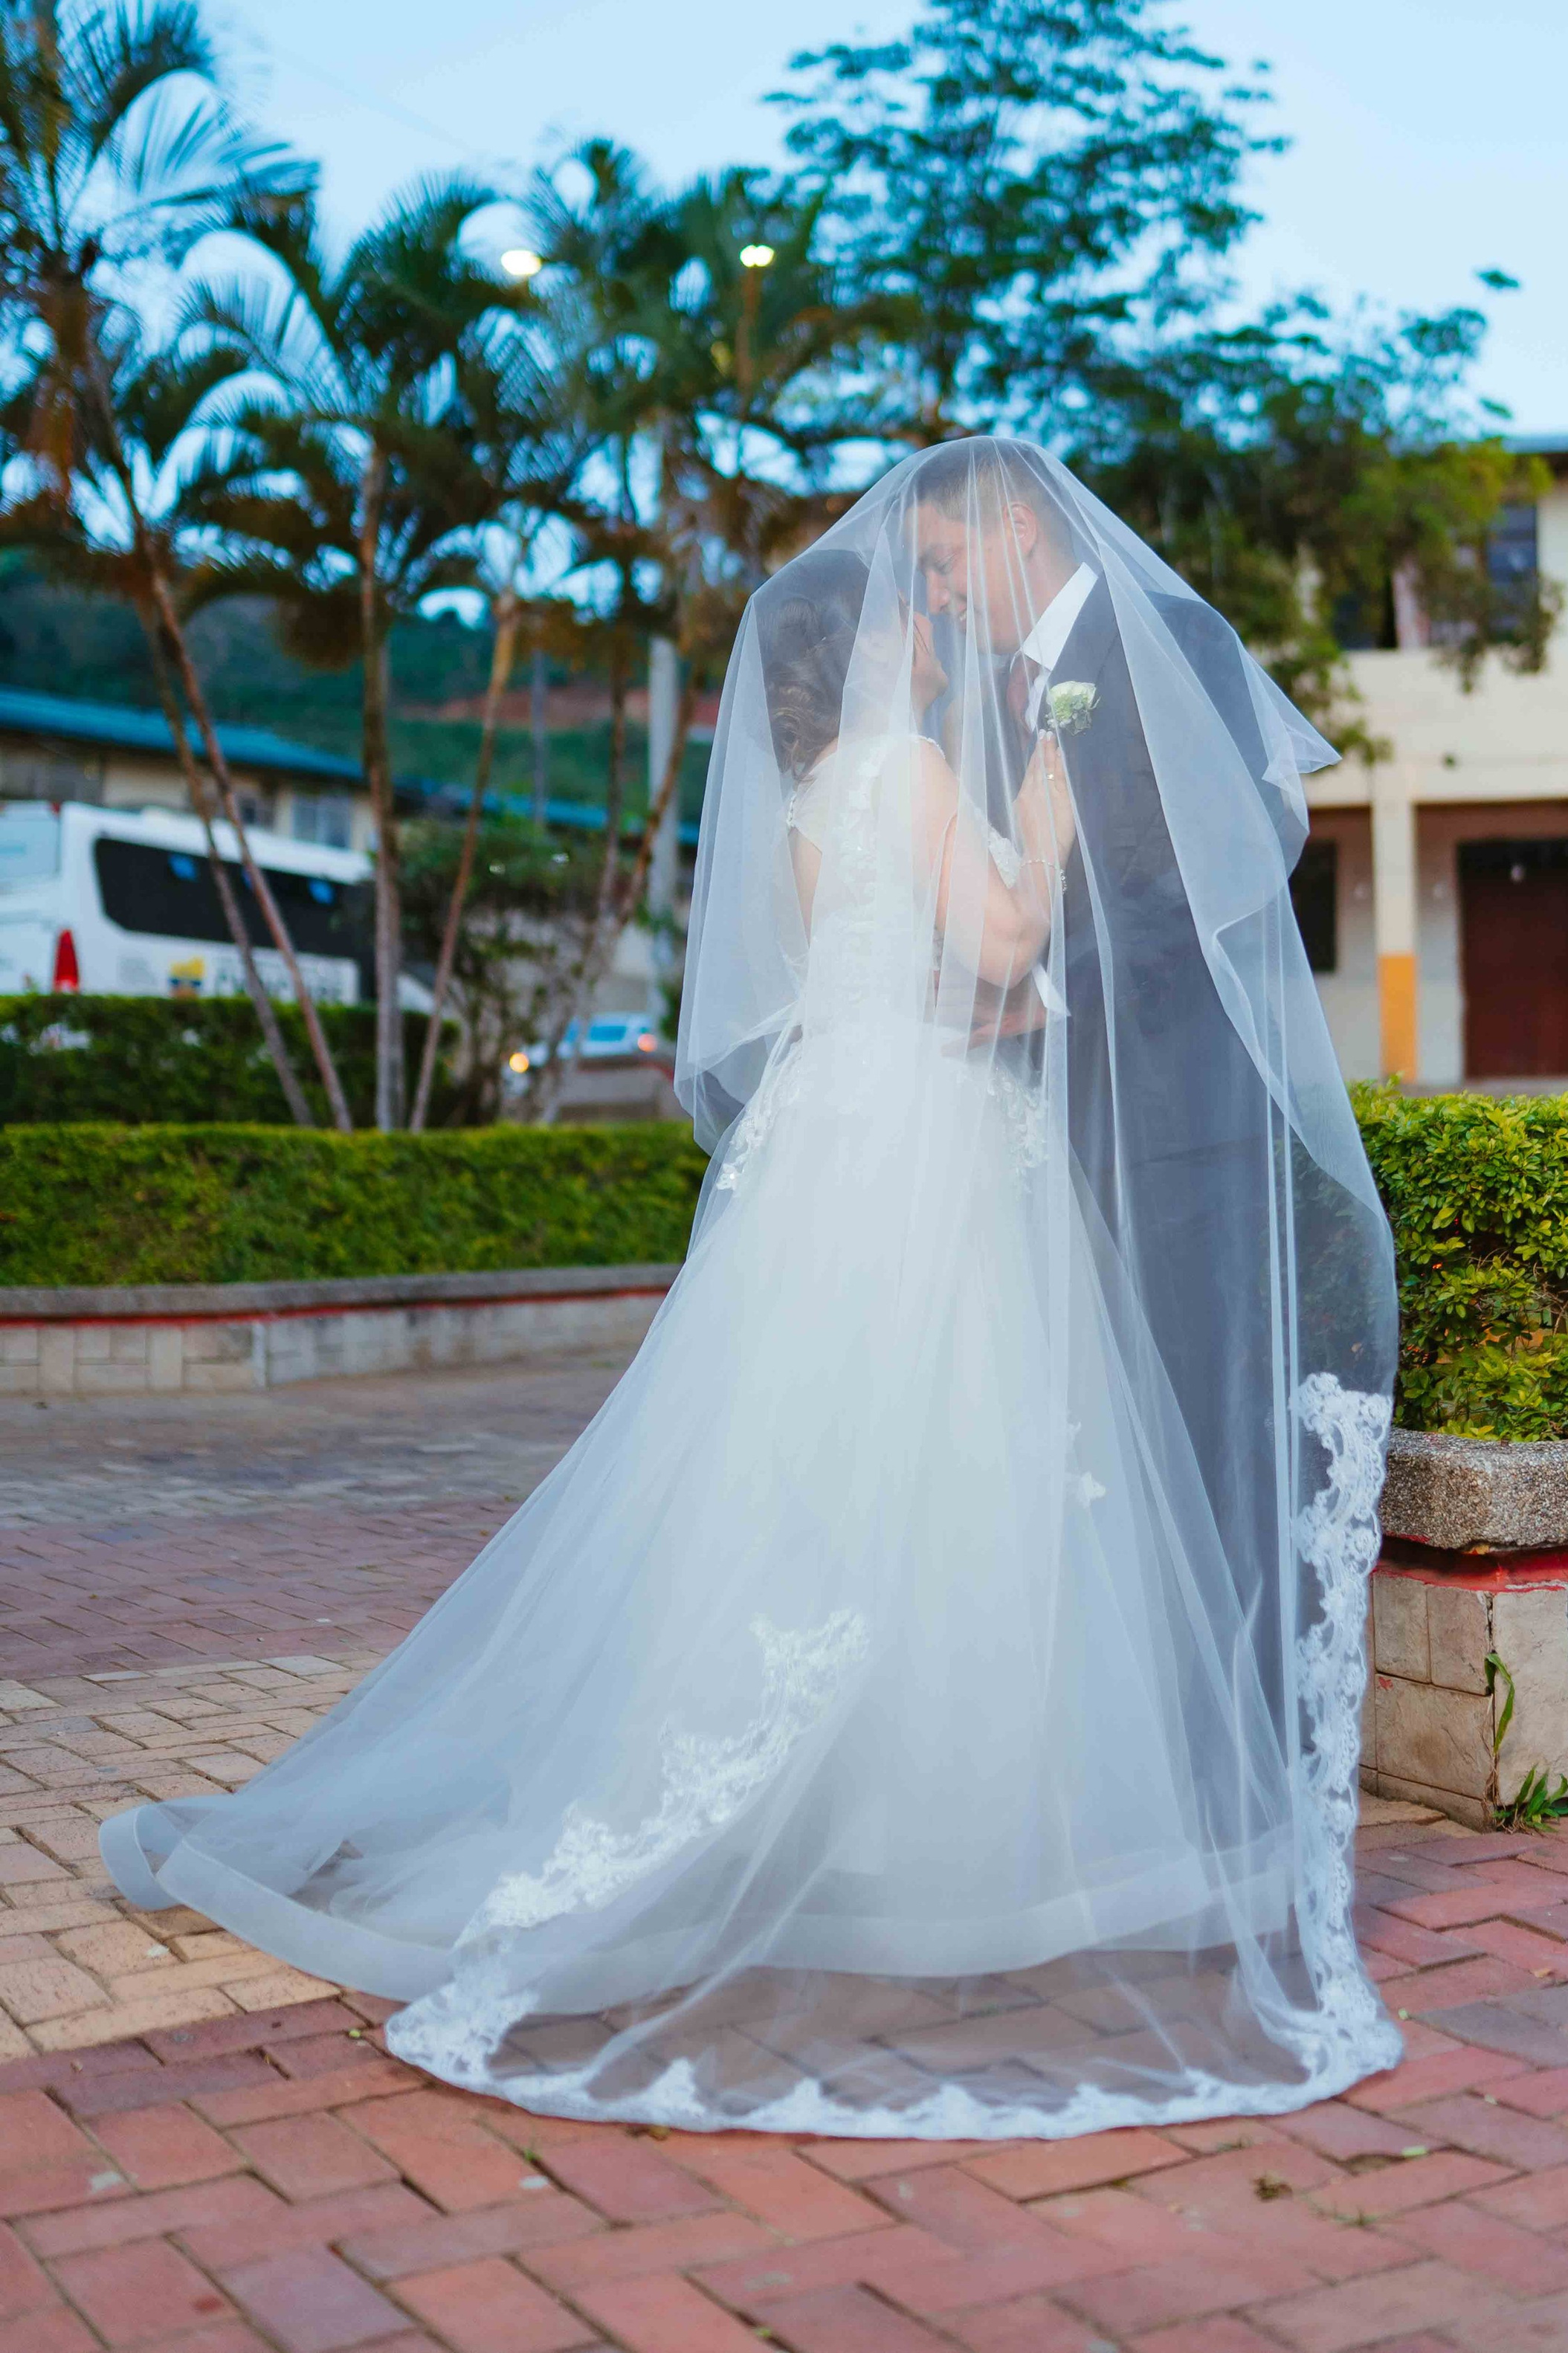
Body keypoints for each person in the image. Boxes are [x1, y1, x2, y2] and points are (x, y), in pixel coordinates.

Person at [100, 437, 1399, 2139]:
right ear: (870, 651)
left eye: (941, 573)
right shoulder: (922, 765)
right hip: (935, 1149)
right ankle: (952, 1830)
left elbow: (946, 959)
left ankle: (858, 1815)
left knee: (817, 1468)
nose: (934, 609)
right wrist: (1036, 835)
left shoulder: (815, 803)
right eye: (913, 600)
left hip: (858, 1137)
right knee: (962, 1466)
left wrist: (1005, 962)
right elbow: (1000, 943)